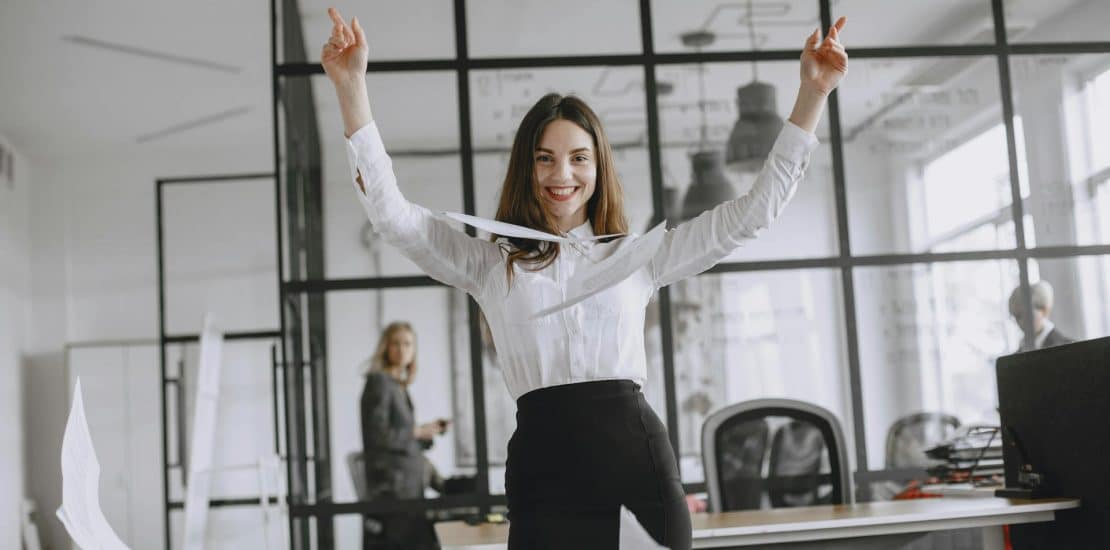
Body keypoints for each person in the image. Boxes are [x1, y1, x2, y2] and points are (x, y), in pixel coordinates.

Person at [324, 8, 848, 548]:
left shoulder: (641, 255)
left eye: (579, 158)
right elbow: (393, 216)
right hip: (543, 479)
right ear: (527, 168)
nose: (562, 175)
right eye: (545, 158)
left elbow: (753, 214)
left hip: (638, 470)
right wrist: (351, 88)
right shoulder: (489, 263)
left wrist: (812, 96)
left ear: (599, 168)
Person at [360, 321, 448, 550]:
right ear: (386, 348)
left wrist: (425, 433)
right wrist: (416, 431)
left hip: (408, 488)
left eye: (408, 344)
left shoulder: (397, 385)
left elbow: (399, 437)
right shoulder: (379, 382)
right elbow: (377, 436)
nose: (402, 349)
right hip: (394, 491)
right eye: (396, 343)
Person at [1008, 281, 1074, 352]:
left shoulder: (1071, 348)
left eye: (1026, 316)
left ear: (1044, 310)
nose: (1021, 322)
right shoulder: (1016, 355)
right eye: (1017, 317)